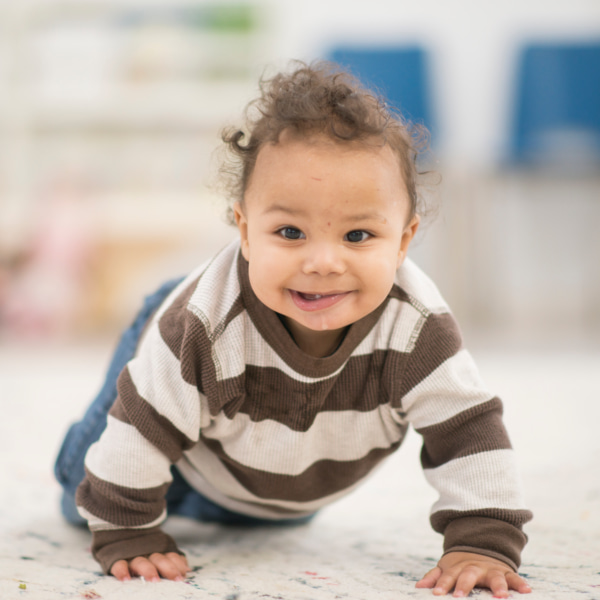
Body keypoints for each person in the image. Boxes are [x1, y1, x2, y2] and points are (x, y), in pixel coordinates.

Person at [54, 62, 533, 598]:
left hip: (264, 487)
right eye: (289, 232)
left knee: (268, 523)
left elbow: (469, 432)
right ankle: (95, 432)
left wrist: (483, 541)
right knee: (86, 492)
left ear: (402, 240)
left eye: (357, 235)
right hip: (172, 437)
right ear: (245, 232)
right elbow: (139, 432)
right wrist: (126, 529)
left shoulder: (417, 330)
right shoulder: (204, 326)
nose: (324, 262)